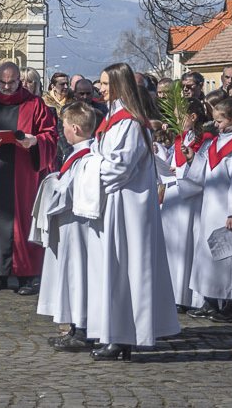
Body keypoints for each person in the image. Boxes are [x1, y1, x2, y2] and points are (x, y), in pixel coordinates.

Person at [83, 63, 179, 361]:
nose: (100, 88)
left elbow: (119, 168)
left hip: (127, 206)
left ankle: (124, 336)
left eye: (105, 83)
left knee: (125, 268)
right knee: (115, 269)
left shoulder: (129, 123)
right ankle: (115, 333)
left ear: (119, 85)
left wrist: (87, 170)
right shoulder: (114, 118)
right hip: (115, 203)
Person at [0, 62, 58, 294]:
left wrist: (35, 141)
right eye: (2, 82)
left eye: (12, 82)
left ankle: (27, 275)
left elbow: (50, 135)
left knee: (23, 222)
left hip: (24, 175)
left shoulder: (34, 104)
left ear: (20, 80)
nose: (7, 87)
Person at [180, 98, 232, 323]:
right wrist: (193, 159)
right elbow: (208, 169)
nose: (215, 125)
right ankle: (210, 301)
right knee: (210, 256)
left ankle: (231, 306)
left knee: (231, 257)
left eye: (220, 121)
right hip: (212, 206)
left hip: (228, 209)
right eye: (215, 120)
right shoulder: (218, 141)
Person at [37, 101, 99, 351]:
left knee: (78, 275)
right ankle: (74, 324)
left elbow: (73, 191)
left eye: (64, 126)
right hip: (69, 225)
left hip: (78, 225)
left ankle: (82, 328)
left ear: (75, 128)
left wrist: (55, 187)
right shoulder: (76, 155)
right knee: (70, 275)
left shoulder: (87, 158)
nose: (62, 131)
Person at [159, 97, 209, 312]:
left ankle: (189, 297)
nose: (174, 119)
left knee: (188, 247)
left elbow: (204, 170)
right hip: (175, 196)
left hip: (192, 199)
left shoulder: (204, 140)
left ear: (193, 117)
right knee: (174, 247)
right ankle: (173, 293)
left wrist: (180, 169)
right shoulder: (181, 138)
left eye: (179, 115)